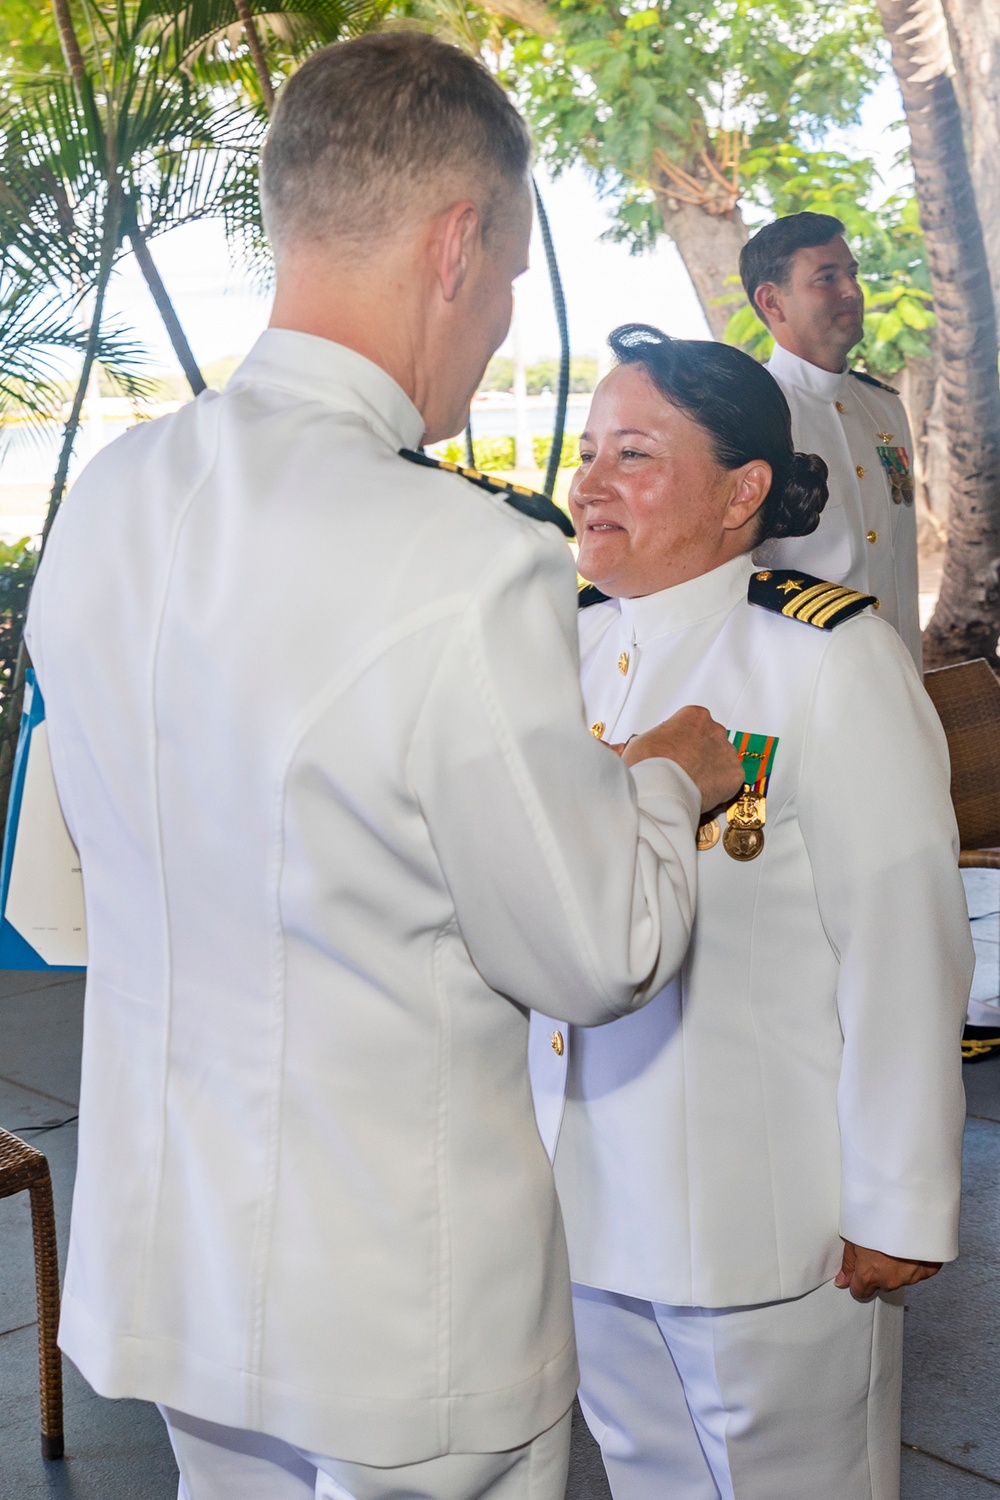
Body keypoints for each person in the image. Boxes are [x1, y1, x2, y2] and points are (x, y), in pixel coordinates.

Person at [24, 40, 743, 1500]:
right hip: (407, 1323)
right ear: (456, 242)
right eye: (513, 276)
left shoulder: (111, 503)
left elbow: (69, 888)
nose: (499, 323)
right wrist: (667, 784)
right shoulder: (461, 562)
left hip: (178, 1281)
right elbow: (595, 947)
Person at [530, 324, 973, 1500]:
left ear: (741, 493)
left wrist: (898, 1197)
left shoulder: (822, 659)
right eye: (587, 450)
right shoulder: (555, 653)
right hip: (583, 1206)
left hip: (768, 1223)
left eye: (634, 453)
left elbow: (900, 942)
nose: (588, 480)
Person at [739, 211, 923, 669]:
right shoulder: (747, 414)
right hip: (802, 682)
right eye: (826, 277)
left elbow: (898, 556)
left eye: (852, 273)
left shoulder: (884, 408)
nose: (852, 290)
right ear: (772, 302)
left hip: (897, 672)